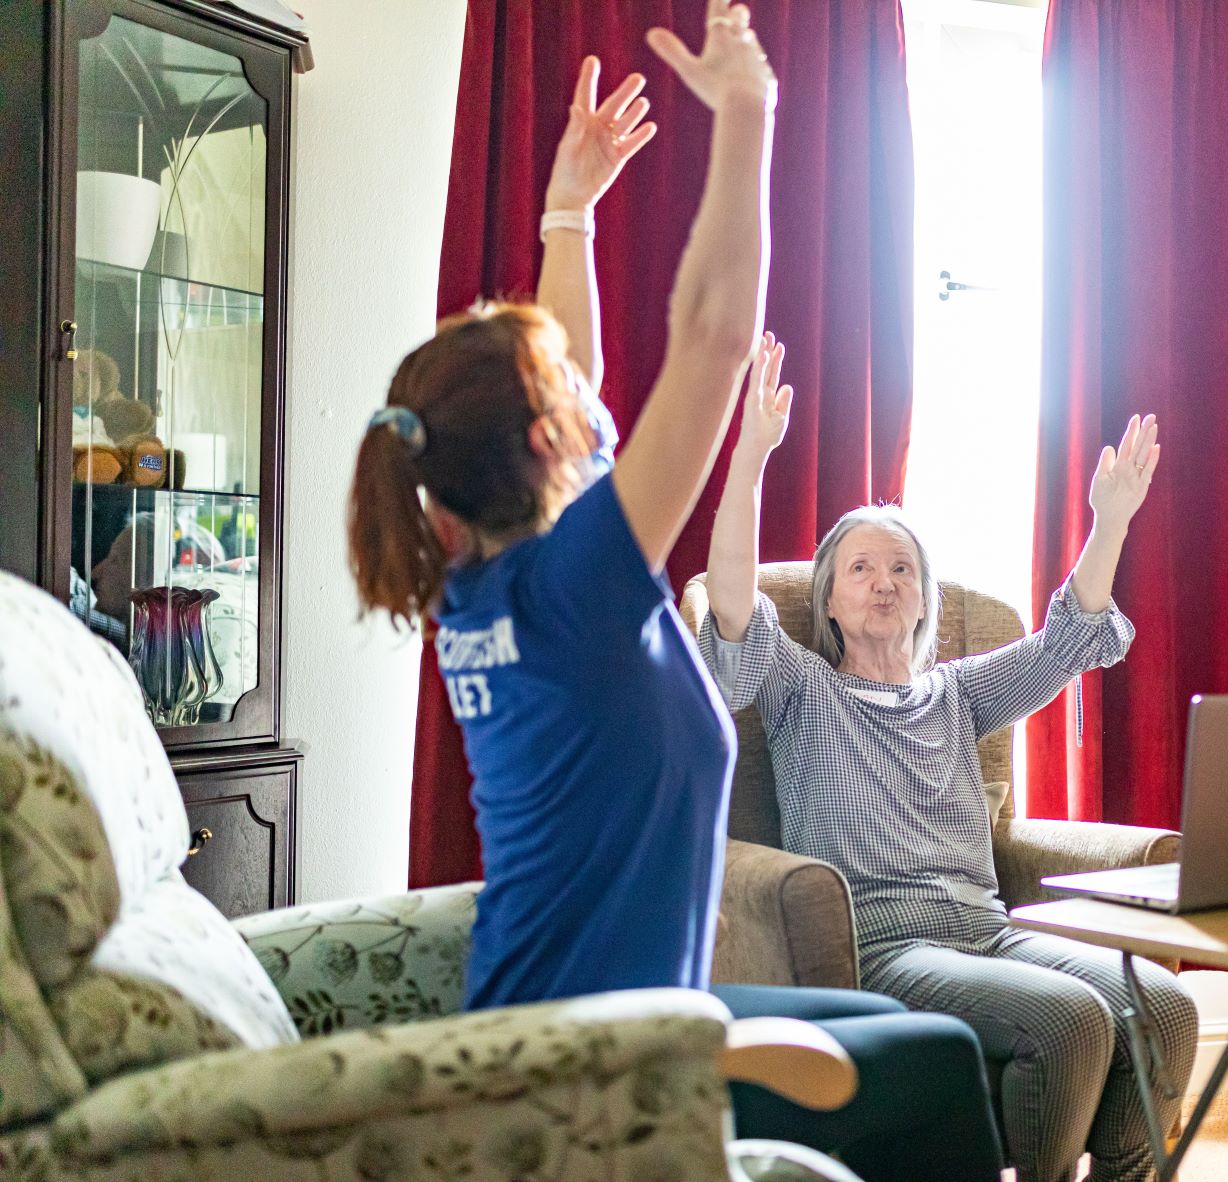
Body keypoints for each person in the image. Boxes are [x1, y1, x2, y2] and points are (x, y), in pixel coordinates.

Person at [345, 11, 1000, 1180]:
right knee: (940, 1067)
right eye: (567, 405)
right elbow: (706, 341)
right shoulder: (576, 579)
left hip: (569, 1010)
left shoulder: (484, 583)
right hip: (598, 1055)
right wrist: (748, 118)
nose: (590, 407)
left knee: (928, 1048)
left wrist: (570, 211)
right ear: (552, 448)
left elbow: (576, 378)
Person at [699, 341, 1198, 1182]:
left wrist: (1110, 520)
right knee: (1073, 1019)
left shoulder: (959, 693)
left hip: (989, 932)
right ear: (827, 598)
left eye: (902, 568)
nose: (883, 582)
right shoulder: (800, 688)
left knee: (1168, 1006)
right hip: (888, 945)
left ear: (928, 597)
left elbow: (1070, 641)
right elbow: (733, 610)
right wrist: (747, 460)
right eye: (859, 568)